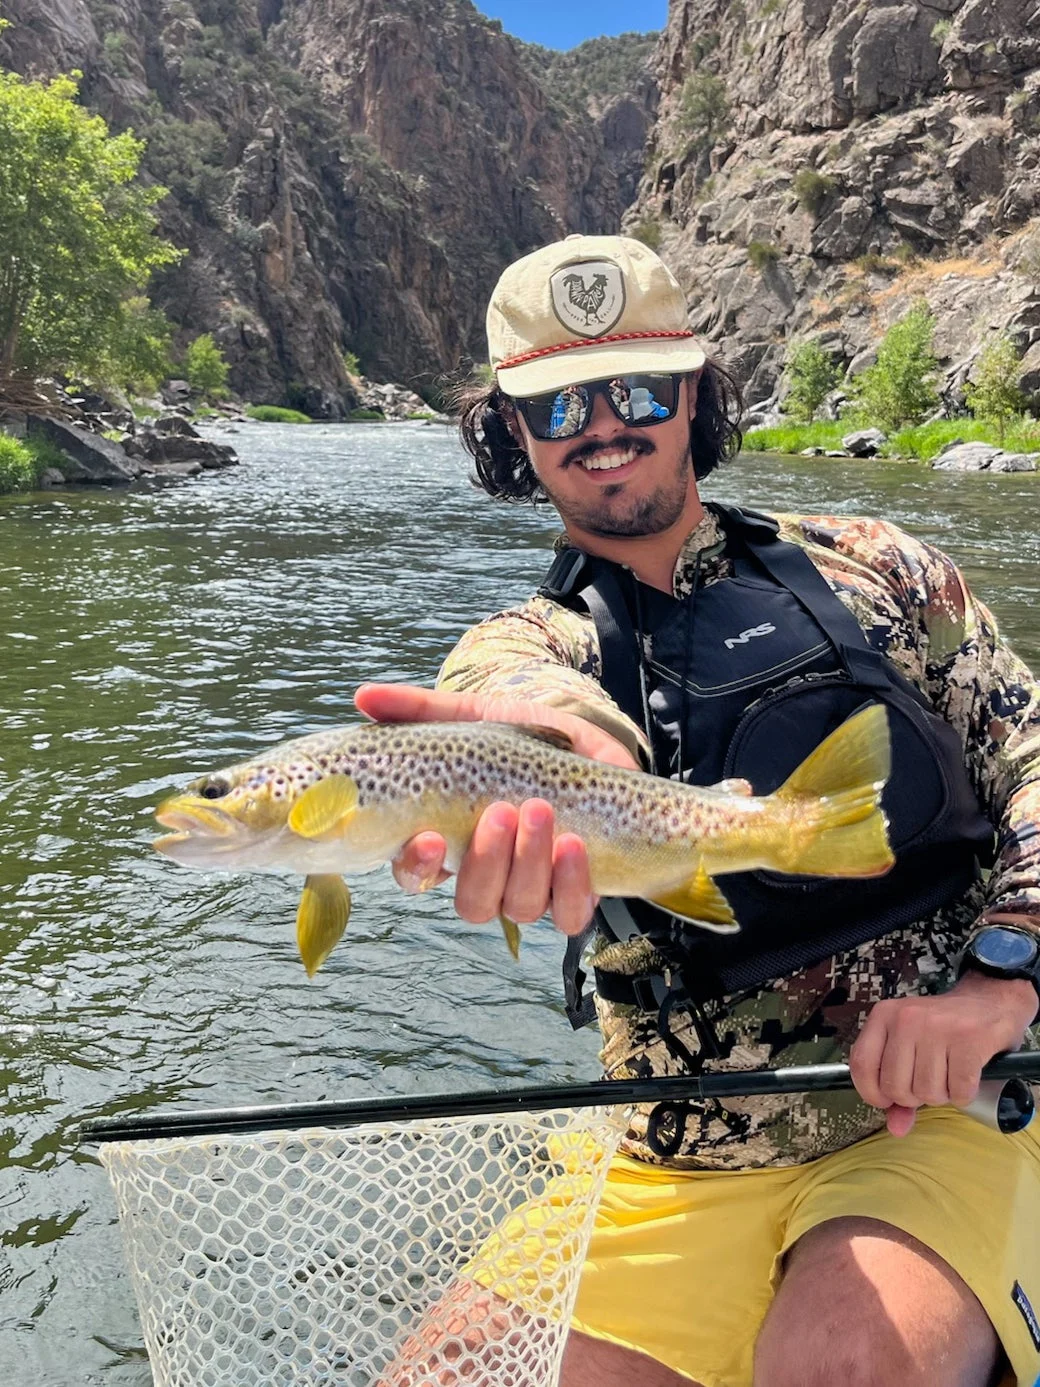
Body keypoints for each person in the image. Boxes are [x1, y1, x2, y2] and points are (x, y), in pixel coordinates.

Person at [356, 234, 1040, 1387]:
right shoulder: (518, 648)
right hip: (668, 1147)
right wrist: (557, 758)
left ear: (691, 398)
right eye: (558, 402)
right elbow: (533, 708)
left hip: (943, 1113)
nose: (603, 425)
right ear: (513, 433)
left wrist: (1002, 974)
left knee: (845, 1361)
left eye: (635, 389)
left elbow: (1028, 749)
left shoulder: (883, 568)